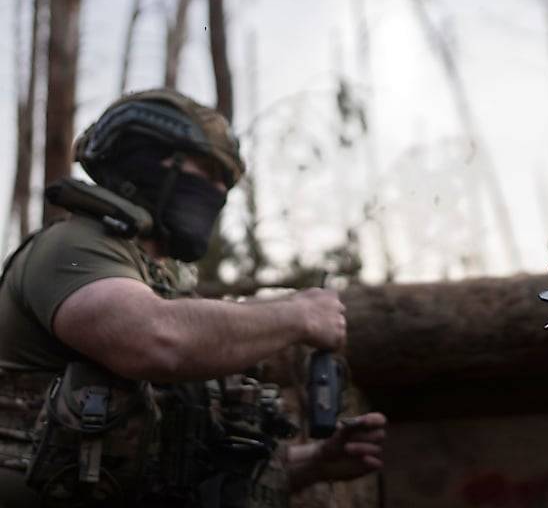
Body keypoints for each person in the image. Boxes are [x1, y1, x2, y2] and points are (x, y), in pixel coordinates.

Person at [0, 89, 386, 507]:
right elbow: (154, 339)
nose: (220, 191)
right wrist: (298, 315)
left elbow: (182, 468)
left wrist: (316, 463)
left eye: (228, 181)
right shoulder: (73, 247)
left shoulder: (166, 288)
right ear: (145, 158)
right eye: (209, 170)